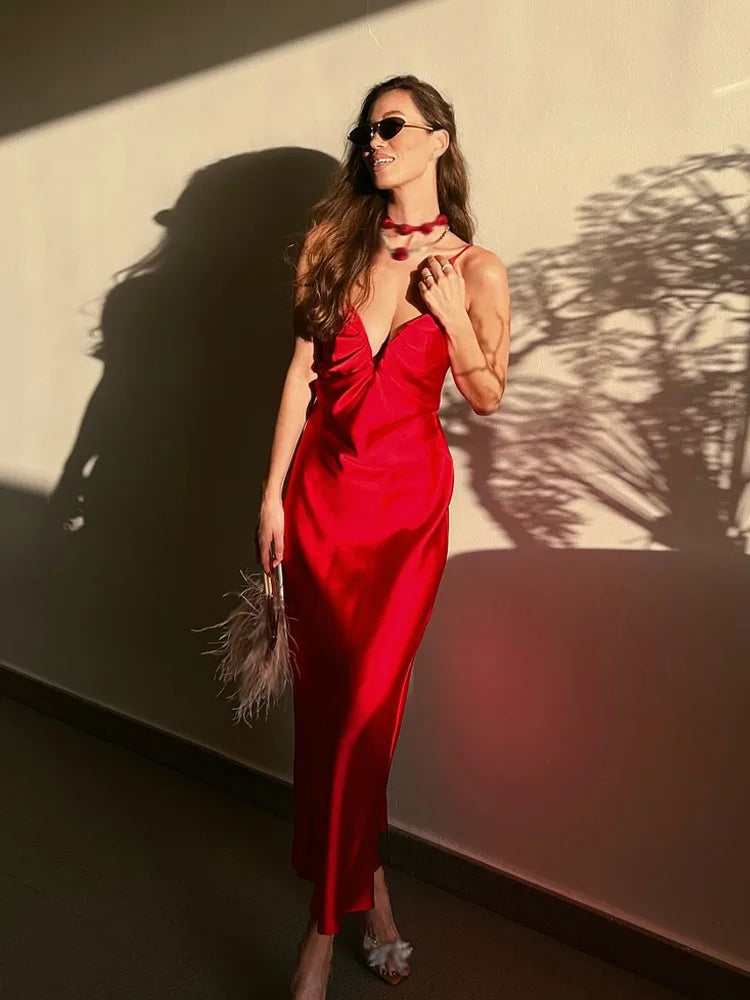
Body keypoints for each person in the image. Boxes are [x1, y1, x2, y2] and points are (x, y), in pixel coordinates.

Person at [257, 74, 510, 999]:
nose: (375, 141)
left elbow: (486, 395)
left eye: (393, 126)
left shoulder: (477, 270)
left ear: (441, 139)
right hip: (321, 504)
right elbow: (300, 373)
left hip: (405, 520)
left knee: (368, 714)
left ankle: (320, 942)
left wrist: (447, 316)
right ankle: (378, 903)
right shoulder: (334, 241)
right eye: (366, 129)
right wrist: (271, 496)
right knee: (331, 721)